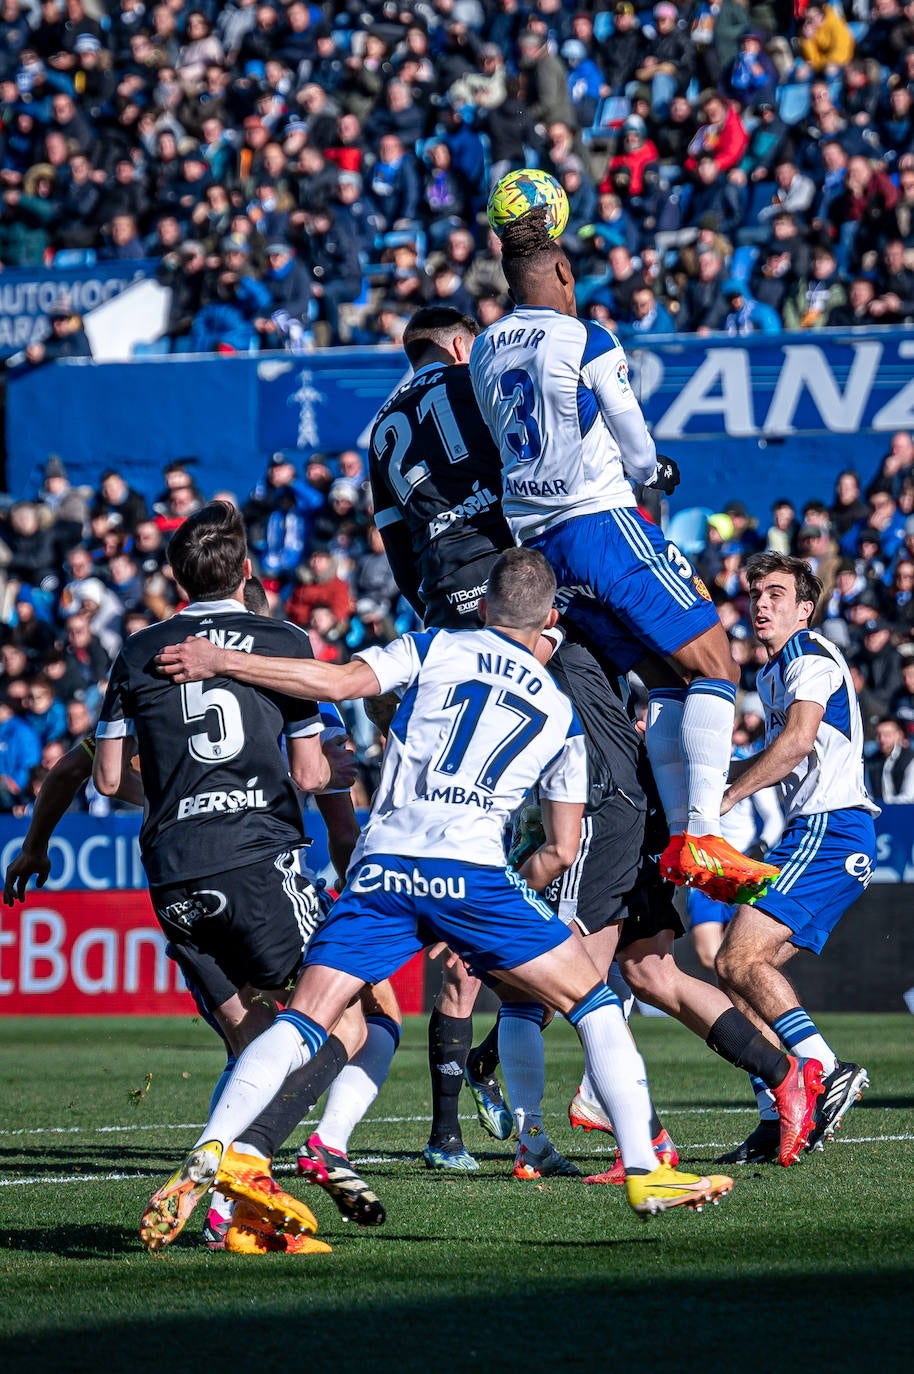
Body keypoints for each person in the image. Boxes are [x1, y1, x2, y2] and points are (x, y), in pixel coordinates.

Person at [145, 548, 734, 1249]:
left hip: (385, 868)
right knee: (593, 1003)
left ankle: (222, 1149)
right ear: (550, 619)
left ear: (483, 607)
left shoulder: (435, 645)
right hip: (472, 873)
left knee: (307, 1019)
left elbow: (336, 682)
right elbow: (562, 847)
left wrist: (222, 661)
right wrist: (503, 906)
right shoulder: (559, 709)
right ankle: (644, 1167)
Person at [468, 206, 778, 906]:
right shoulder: (585, 335)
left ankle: (678, 841)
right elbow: (630, 431)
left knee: (667, 680)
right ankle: (703, 830)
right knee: (717, 664)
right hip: (601, 523)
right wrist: (652, 473)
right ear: (562, 272)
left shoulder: (486, 349)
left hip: (540, 547)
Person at [93, 502, 361, 1255]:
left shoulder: (139, 648)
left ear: (175, 579)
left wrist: (181, 794)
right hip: (255, 859)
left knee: (255, 1044)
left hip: (172, 869)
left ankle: (223, 1218)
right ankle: (238, 1163)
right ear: (248, 572)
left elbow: (110, 779)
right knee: (348, 1019)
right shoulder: (283, 640)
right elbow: (311, 772)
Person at [714, 553, 878, 1164]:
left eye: (777, 594)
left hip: (830, 830)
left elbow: (797, 741)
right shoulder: (770, 674)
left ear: (805, 608)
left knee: (736, 958)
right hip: (819, 833)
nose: (762, 602)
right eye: (756, 592)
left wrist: (728, 794)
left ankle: (825, 1071)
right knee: (736, 975)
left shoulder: (809, 654)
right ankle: (777, 1114)